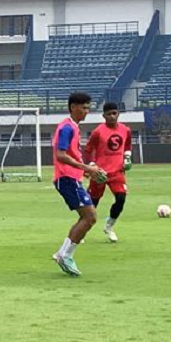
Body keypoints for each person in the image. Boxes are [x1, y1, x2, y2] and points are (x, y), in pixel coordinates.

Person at [51, 91, 107, 277]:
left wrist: (86, 170)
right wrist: (86, 168)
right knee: (90, 217)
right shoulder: (67, 128)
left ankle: (64, 253)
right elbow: (60, 155)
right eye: (83, 108)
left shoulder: (72, 127)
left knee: (88, 217)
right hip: (66, 178)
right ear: (73, 107)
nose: (86, 111)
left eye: (88, 108)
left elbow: (71, 155)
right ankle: (65, 255)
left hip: (71, 177)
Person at [84, 101, 133, 243]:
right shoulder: (98, 131)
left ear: (118, 114)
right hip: (100, 173)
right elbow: (87, 150)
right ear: (103, 116)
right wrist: (92, 165)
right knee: (92, 204)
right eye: (108, 114)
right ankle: (82, 229)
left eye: (114, 113)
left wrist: (127, 158)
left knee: (121, 199)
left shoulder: (125, 130)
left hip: (117, 172)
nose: (112, 116)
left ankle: (109, 226)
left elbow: (127, 144)